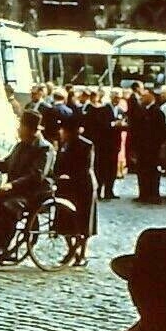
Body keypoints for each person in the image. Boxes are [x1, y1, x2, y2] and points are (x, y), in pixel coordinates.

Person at [0, 110, 53, 261]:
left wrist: (12, 185)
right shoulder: (20, 146)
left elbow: (36, 175)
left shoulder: (44, 149)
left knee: (7, 208)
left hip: (33, 193)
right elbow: (7, 165)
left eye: (21, 127)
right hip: (15, 190)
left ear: (30, 129)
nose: (18, 130)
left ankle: (2, 247)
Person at [52, 112, 97, 266]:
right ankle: (72, 251)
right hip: (66, 187)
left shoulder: (86, 145)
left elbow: (84, 167)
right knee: (64, 223)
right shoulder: (64, 145)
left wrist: (69, 176)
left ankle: (81, 254)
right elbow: (57, 165)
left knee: (83, 224)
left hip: (83, 187)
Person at [134, 84, 166, 204]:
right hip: (142, 148)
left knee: (153, 172)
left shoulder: (157, 112)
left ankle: (153, 194)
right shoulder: (142, 111)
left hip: (153, 149)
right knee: (142, 171)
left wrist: (158, 145)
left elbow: (163, 132)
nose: (142, 98)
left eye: (144, 96)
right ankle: (143, 193)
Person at [82, 88, 119, 200]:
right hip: (100, 143)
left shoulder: (99, 109)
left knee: (103, 168)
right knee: (100, 168)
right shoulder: (95, 109)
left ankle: (104, 190)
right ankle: (100, 190)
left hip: (103, 143)